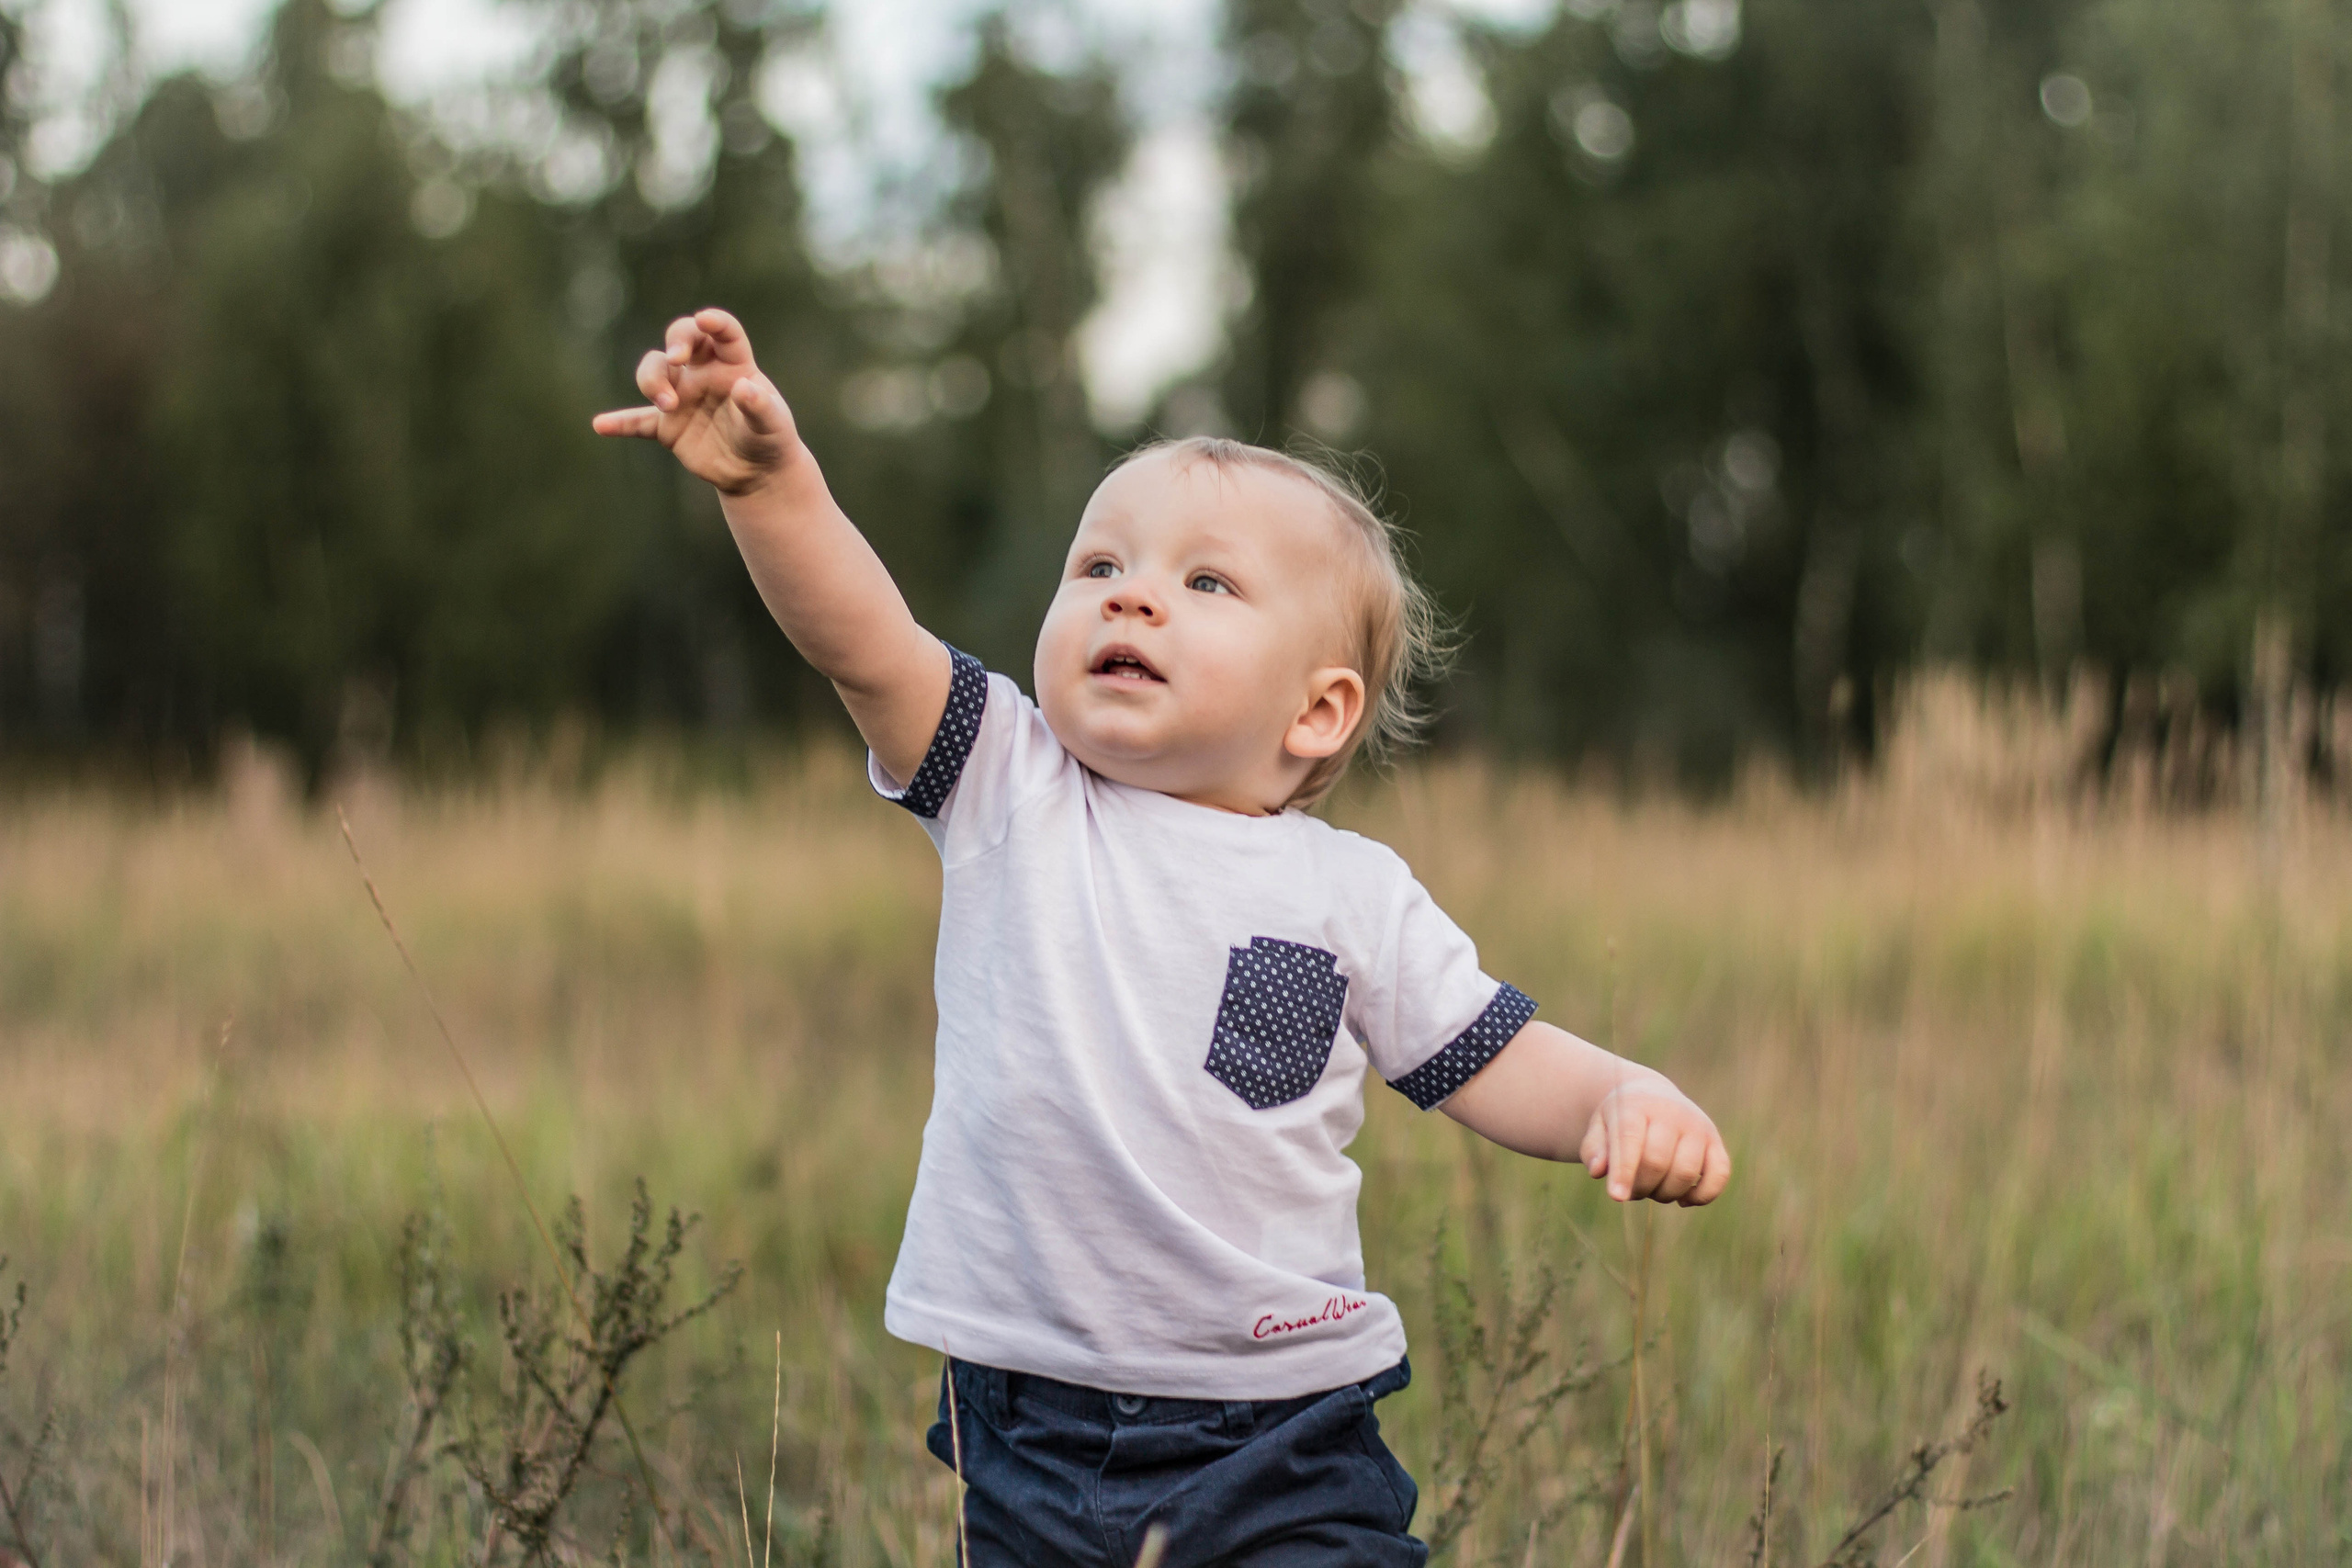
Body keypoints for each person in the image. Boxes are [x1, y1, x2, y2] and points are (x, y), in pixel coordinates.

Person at [595, 309, 1731, 1567]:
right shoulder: (1009, 786)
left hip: (1282, 1432)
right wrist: (772, 486)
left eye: (1206, 583)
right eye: (1099, 567)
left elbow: (1490, 1057)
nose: (1131, 592)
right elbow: (864, 645)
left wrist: (1621, 1097)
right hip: (1030, 1421)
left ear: (1318, 709)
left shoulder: (1350, 894)